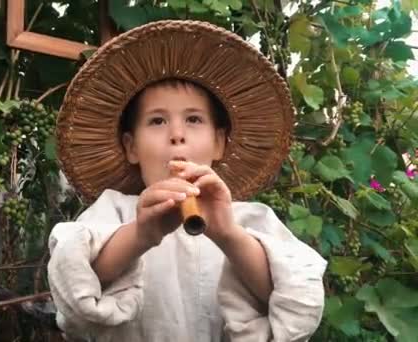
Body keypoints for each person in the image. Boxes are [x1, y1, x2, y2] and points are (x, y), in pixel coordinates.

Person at [47, 20, 328, 342]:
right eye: (157, 121)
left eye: (194, 119)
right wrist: (141, 234)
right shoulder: (114, 212)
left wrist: (228, 235)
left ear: (219, 142)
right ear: (131, 146)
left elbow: (296, 307)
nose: (177, 135)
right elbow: (75, 293)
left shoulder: (250, 220)